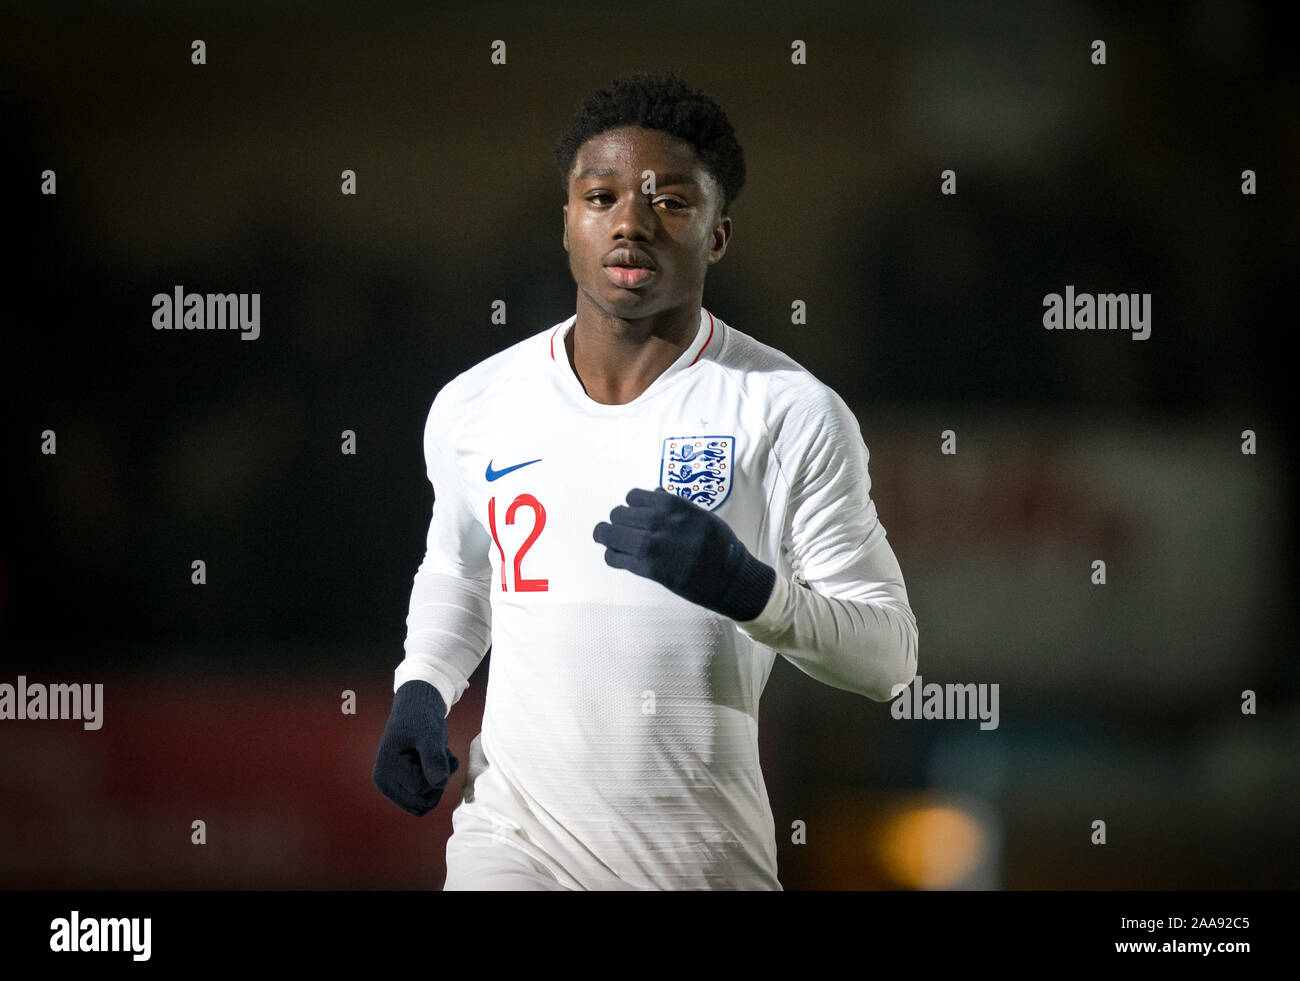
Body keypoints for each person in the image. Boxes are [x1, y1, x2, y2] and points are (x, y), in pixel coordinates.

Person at [372, 71, 918, 890]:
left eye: (670, 201)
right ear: (567, 222)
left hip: (700, 865)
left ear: (718, 235)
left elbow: (889, 659)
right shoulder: (476, 403)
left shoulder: (790, 411)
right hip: (513, 845)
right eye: (601, 197)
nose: (630, 221)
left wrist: (752, 592)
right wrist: (421, 686)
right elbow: (461, 569)